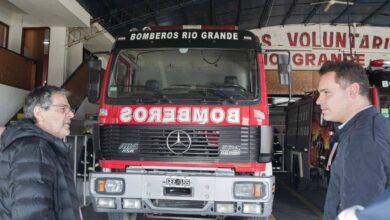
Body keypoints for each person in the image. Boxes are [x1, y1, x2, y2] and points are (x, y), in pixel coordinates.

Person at [316, 60, 390, 220]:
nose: (318, 100)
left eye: (326, 92)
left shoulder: (362, 140)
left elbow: (361, 214)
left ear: (353, 91)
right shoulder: (369, 127)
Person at [0, 85, 82, 220]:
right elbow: (32, 212)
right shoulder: (33, 148)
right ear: (39, 113)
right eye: (63, 109)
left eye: (70, 109)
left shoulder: (43, 145)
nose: (71, 114)